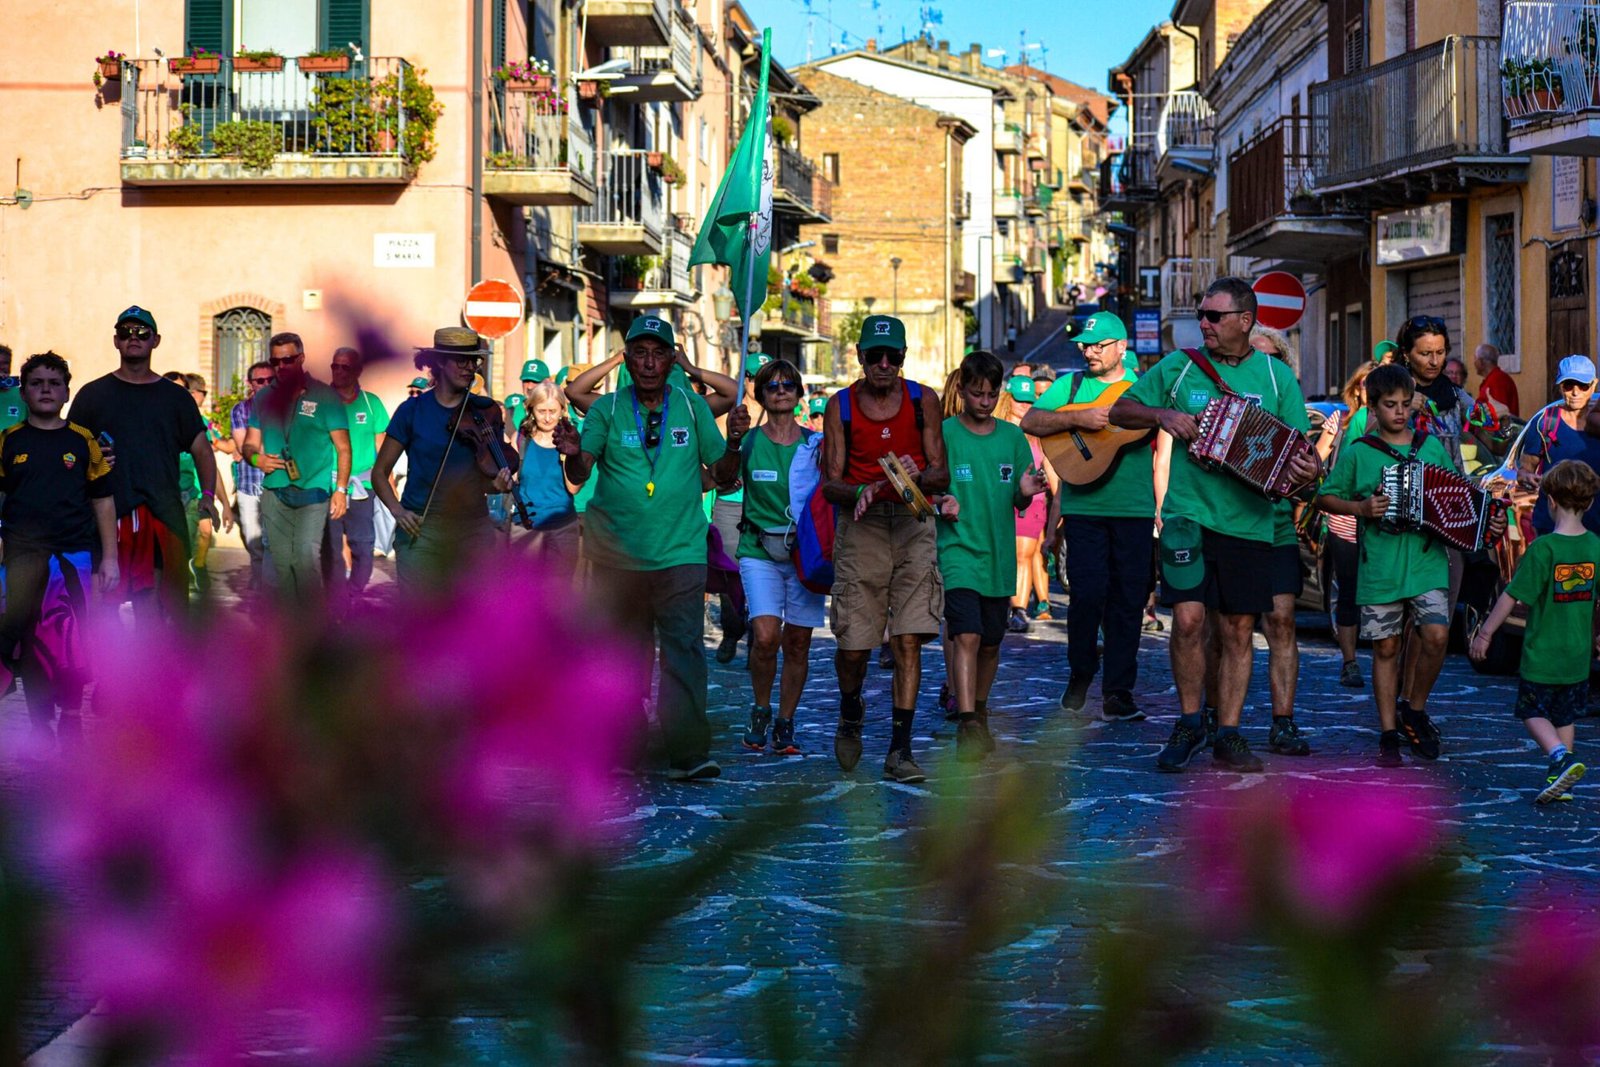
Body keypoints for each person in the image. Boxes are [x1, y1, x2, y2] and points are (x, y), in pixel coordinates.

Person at [1110, 277, 1319, 773]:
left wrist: (1310, 470)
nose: (1203, 322)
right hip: (1187, 515)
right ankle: (1188, 722)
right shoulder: (1180, 367)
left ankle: (1229, 732)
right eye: (1202, 314)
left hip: (1249, 523)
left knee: (1238, 628)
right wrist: (1162, 414)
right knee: (1186, 621)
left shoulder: (1275, 378)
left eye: (1214, 315)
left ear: (1244, 321)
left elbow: (1299, 452)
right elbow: (1121, 409)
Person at [553, 315, 749, 782]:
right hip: (616, 557)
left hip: (680, 552)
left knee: (683, 652)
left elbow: (722, 475)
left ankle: (686, 752)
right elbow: (581, 473)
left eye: (658, 353)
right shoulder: (606, 408)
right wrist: (574, 450)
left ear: (671, 359)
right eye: (640, 352)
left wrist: (737, 439)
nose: (648, 362)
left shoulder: (692, 405)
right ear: (628, 358)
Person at [821, 314, 949, 784]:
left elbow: (941, 474)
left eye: (892, 356)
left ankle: (900, 749)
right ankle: (851, 709)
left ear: (902, 358)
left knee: (908, 637)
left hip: (914, 521)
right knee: (855, 645)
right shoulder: (841, 406)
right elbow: (830, 482)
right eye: (874, 356)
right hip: (862, 527)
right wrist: (862, 491)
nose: (883, 364)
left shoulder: (923, 401)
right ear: (859, 357)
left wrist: (914, 476)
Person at [1317, 363, 1461, 766]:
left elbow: (1454, 494)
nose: (1399, 413)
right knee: (1386, 647)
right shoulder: (1361, 452)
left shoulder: (1429, 446)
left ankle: (1413, 708)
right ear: (1373, 408)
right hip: (1380, 563)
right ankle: (1387, 733)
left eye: (1404, 405)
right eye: (1390, 405)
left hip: (1426, 559)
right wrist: (1361, 507)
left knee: (1435, 634)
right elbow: (1325, 498)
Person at [1022, 312, 1155, 722]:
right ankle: (1081, 672)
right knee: (1086, 596)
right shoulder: (1071, 385)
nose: (1089, 351)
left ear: (1121, 347)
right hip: (1083, 510)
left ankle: (1118, 691)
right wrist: (1079, 417)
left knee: (1128, 603)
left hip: (1134, 510)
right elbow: (1032, 420)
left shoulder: (1143, 388)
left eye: (1098, 345)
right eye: (1085, 345)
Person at [68, 306, 216, 619]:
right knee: (100, 610)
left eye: (142, 333)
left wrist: (209, 496)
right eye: (126, 332)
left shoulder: (175, 398)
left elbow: (202, 449)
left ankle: (161, 668)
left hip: (161, 512)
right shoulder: (92, 395)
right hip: (108, 514)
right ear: (115, 341)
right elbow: (69, 451)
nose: (133, 338)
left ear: (156, 340)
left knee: (163, 612)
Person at [0, 353, 117, 743]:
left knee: (71, 642)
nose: (46, 389)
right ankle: (39, 726)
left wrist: (110, 559)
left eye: (54, 383)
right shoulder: (8, 441)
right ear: (24, 390)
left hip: (72, 558)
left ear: (67, 391)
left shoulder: (83, 442)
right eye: (36, 383)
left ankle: (69, 715)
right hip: (20, 556)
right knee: (29, 641)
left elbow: (102, 501)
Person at [1471, 459, 1600, 802]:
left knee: (1531, 710)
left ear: (1551, 502)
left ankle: (1561, 757)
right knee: (1565, 714)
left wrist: (1486, 633)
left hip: (1544, 653)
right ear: (1588, 503)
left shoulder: (1543, 549)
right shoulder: (1595, 548)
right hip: (1577, 655)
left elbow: (1511, 596)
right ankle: (1561, 780)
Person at [941, 351, 1042, 760]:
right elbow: (928, 484)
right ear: (962, 390)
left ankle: (979, 710)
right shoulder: (946, 433)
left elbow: (1019, 491)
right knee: (966, 634)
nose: (983, 401)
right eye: (976, 393)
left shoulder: (1011, 437)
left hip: (998, 554)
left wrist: (1027, 490)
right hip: (958, 549)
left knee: (990, 642)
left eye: (990, 394)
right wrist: (939, 501)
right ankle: (966, 720)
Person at [734, 358, 825, 757]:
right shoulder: (750, 443)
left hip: (805, 555)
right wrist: (731, 443)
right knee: (767, 637)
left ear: (800, 393)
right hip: (758, 549)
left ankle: (786, 721)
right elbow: (721, 475)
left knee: (799, 643)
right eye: (773, 385)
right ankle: (760, 708)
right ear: (762, 395)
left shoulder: (816, 445)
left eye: (790, 384)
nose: (782, 390)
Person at [373, 328, 512, 587]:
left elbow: (484, 482)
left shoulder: (485, 412)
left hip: (472, 530)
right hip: (423, 530)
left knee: (472, 619)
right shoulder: (411, 411)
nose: (470, 368)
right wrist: (398, 511)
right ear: (440, 363)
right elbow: (379, 473)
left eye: (474, 361)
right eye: (462, 361)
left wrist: (497, 485)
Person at [242, 333, 352, 604]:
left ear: (301, 358)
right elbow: (249, 444)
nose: (281, 366)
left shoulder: (325, 396)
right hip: (275, 491)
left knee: (305, 559)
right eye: (275, 361)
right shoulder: (264, 397)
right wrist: (257, 460)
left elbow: (343, 448)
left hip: (314, 492)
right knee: (280, 568)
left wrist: (340, 490)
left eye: (288, 360)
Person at [1245, 325, 1313, 756]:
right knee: (1226, 629)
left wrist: (1308, 470)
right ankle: (1215, 715)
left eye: (1271, 358)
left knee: (1282, 622)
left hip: (1276, 527)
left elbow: (1308, 466)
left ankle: (1283, 721)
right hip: (1227, 526)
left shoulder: (1287, 401)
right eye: (1254, 356)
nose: (1261, 365)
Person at [1314, 360, 1380, 687]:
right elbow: (1316, 460)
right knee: (1350, 589)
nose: (1372, 390)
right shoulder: (1341, 420)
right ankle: (1350, 661)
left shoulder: (1391, 422)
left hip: (1379, 515)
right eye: (1367, 384)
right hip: (1344, 515)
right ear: (1357, 389)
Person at [322, 346, 387, 609]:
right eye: (334, 366)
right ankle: (334, 602)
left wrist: (387, 486)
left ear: (358, 371)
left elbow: (384, 451)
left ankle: (352, 593)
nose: (338, 371)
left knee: (363, 547)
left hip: (363, 487)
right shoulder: (320, 403)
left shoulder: (372, 404)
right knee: (331, 549)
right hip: (328, 487)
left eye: (345, 366)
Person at [1518, 355, 1600, 537]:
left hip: (1595, 528)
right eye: (1568, 385)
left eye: (1583, 385)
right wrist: (1527, 477)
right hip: (1552, 528)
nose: (1576, 392)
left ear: (1594, 385)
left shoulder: (1597, 423)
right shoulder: (1545, 422)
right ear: (1560, 386)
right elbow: (1524, 470)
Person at [1002, 375, 1054, 629]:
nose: (1024, 405)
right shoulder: (996, 429)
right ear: (1007, 399)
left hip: (1032, 504)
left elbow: (1051, 467)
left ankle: (1019, 609)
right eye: (1018, 399)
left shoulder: (1037, 433)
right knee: (1006, 554)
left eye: (1028, 400)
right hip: (1001, 501)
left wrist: (1059, 503)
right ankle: (1006, 604)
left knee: (1023, 555)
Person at [510, 379, 580, 568]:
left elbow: (573, 488)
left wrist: (569, 455)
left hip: (562, 528)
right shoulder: (521, 439)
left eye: (553, 411)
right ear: (531, 410)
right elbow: (510, 480)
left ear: (562, 411)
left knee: (559, 592)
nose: (548, 418)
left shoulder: (569, 441)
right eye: (542, 411)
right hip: (525, 527)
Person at [231, 360, 277, 591]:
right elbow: (242, 447)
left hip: (276, 487)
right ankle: (260, 579)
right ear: (251, 384)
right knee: (253, 540)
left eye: (271, 380)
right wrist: (269, 451)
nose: (266, 384)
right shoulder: (240, 410)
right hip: (249, 486)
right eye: (261, 381)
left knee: (273, 543)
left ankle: (266, 589)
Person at [1475, 343, 1520, 418]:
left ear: (1481, 361)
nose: (1474, 363)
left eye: (1475, 359)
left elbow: (1500, 414)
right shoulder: (1493, 379)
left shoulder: (1497, 381)